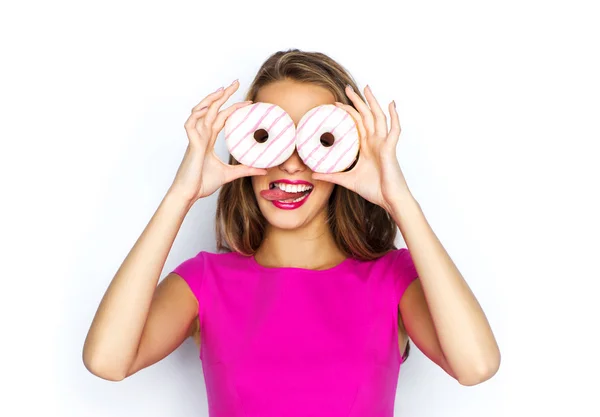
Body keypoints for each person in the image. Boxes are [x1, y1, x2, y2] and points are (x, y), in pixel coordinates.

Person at [83, 49, 500, 416]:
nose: (291, 163)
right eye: (269, 137)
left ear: (348, 150)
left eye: (318, 139)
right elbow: (107, 360)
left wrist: (400, 200)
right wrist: (181, 194)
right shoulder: (205, 282)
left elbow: (476, 365)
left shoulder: (393, 278)